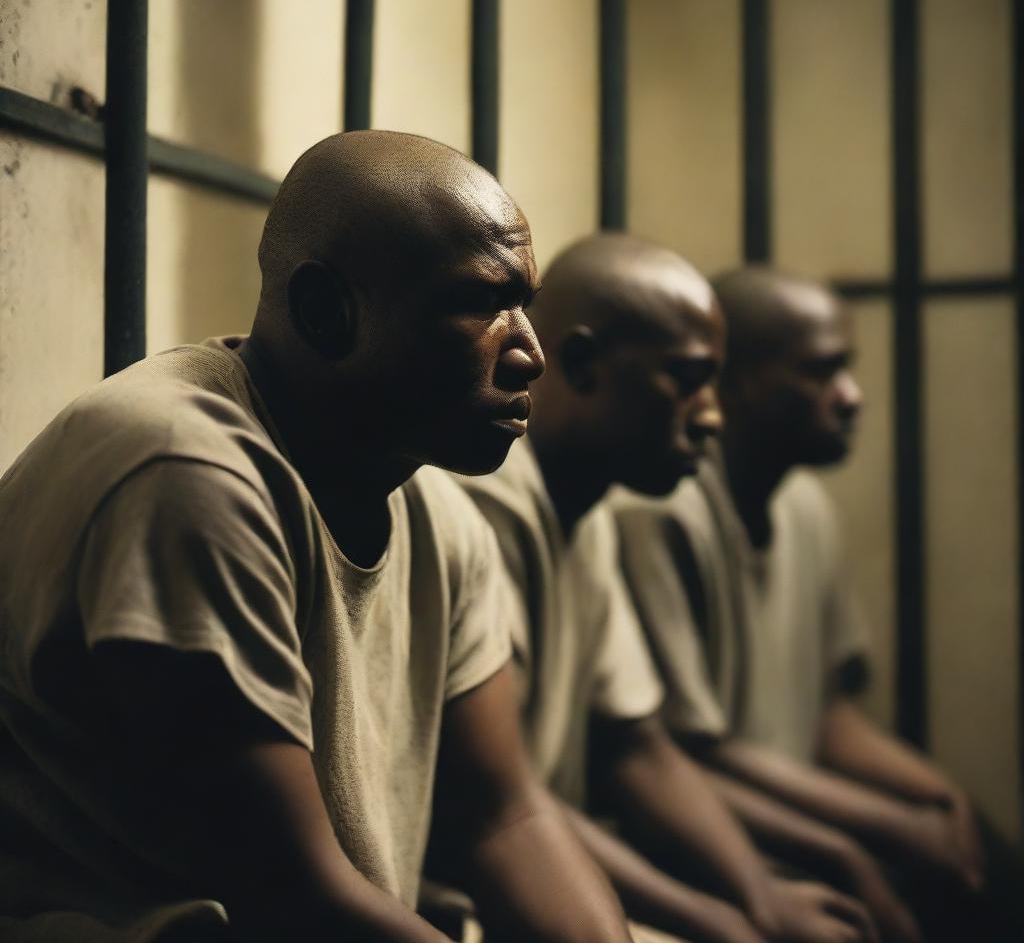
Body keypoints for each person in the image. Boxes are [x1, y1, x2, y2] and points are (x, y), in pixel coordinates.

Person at [0, 131, 634, 943]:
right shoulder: (184, 473)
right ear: (326, 311)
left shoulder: (443, 521)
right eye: (481, 303)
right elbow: (292, 900)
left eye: (527, 305)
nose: (530, 354)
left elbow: (504, 822)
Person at [455, 234, 878, 943]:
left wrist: (762, 898)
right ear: (583, 364)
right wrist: (730, 918)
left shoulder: (587, 516)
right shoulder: (490, 505)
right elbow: (501, 813)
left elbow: (639, 748)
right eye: (686, 380)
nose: (712, 416)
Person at [614, 267, 1021, 942]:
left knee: (980, 854)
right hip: (705, 825)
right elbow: (688, 753)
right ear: (735, 381)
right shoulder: (662, 512)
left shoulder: (804, 505)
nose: (852, 397)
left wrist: (939, 799)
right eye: (821, 372)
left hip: (776, 807)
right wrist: (882, 830)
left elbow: (830, 714)